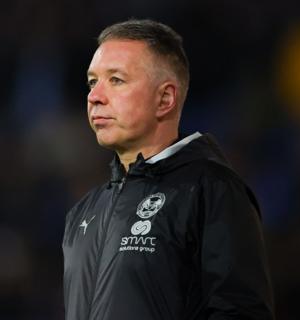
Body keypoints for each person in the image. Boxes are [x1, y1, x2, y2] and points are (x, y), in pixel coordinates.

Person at [62, 19, 275, 320]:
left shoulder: (210, 190)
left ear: (165, 99)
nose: (94, 96)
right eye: (93, 81)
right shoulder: (83, 213)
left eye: (116, 80)